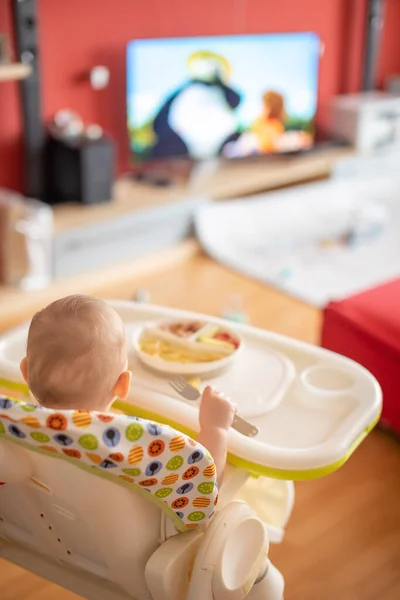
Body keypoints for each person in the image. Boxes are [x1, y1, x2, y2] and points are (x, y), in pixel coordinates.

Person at [20, 294, 235, 485]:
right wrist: (215, 429)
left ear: (25, 372)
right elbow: (203, 486)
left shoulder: (18, 433)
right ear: (123, 385)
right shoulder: (135, 446)